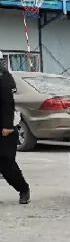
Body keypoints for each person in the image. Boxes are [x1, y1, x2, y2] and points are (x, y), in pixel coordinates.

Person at [0, 52, 29, 205]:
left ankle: (23, 189)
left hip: (5, 128)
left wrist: (7, 126)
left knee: (6, 164)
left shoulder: (4, 79)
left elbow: (8, 104)